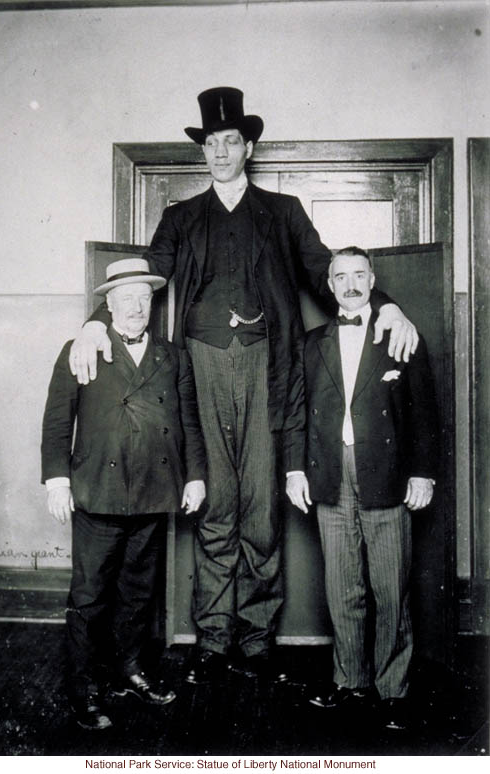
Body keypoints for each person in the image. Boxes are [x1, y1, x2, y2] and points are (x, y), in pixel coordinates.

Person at [68, 88, 418, 686]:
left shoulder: (282, 212)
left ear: (248, 147)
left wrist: (387, 307)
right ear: (204, 152)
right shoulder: (180, 218)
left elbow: (332, 272)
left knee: (260, 505)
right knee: (216, 503)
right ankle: (213, 636)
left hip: (266, 370)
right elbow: (140, 283)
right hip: (201, 369)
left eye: (232, 141)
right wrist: (93, 326)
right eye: (213, 143)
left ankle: (257, 637)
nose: (223, 152)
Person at [41, 257, 206, 730]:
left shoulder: (172, 355)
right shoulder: (81, 347)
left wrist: (194, 476)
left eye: (143, 298)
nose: (135, 306)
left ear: (151, 303)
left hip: (155, 490)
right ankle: (82, 685)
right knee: (90, 594)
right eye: (125, 298)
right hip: (98, 490)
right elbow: (58, 420)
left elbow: (189, 420)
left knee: (138, 592)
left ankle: (130, 669)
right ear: (108, 305)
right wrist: (57, 479)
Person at [285, 246, 438, 731]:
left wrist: (423, 472)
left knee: (390, 586)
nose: (350, 284)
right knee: (341, 584)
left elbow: (424, 414)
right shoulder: (312, 344)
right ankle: (349, 679)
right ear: (329, 286)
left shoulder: (400, 334)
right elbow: (294, 416)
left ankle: (393, 689)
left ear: (372, 281)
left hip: (388, 474)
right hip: (329, 473)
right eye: (340, 277)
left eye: (358, 275)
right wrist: (294, 471)